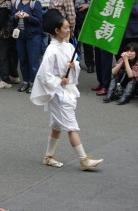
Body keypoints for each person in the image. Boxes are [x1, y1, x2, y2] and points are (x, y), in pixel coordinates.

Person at [30, 10, 103, 171]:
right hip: (58, 92)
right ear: (57, 30)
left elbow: (74, 64)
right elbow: (43, 75)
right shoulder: (51, 50)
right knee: (71, 126)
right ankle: (84, 159)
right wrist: (58, 80)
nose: (69, 30)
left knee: (57, 125)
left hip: (66, 88)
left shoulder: (68, 45)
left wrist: (73, 66)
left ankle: (49, 156)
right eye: (66, 28)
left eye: (69, 27)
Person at [10, 0, 42, 94]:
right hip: (20, 36)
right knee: (22, 61)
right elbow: (11, 19)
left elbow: (39, 21)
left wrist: (28, 16)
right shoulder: (18, 3)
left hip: (33, 36)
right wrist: (15, 16)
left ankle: (34, 84)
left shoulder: (35, 3)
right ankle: (25, 82)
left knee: (33, 62)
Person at [72, 0, 96, 73]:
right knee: (73, 38)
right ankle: (75, 62)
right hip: (71, 12)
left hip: (83, 11)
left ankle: (90, 64)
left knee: (86, 39)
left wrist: (87, 5)